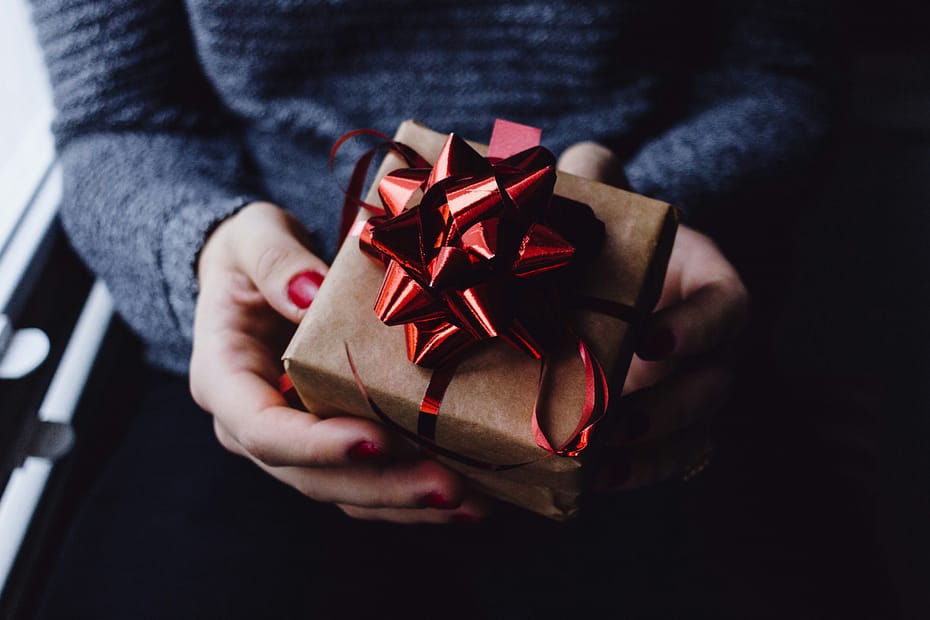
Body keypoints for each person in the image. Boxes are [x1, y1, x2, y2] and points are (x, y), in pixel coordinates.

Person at [26, 0, 828, 616]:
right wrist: (198, 250)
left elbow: (778, 77)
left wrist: (642, 231)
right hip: (274, 343)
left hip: (641, 343)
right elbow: (116, 117)